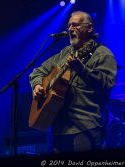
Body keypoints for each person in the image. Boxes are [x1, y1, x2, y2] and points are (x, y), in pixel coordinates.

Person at [29, 11, 117, 153]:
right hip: (59, 129)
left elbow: (108, 83)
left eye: (75, 25)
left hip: (86, 128)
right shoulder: (64, 53)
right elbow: (37, 71)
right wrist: (38, 85)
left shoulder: (102, 53)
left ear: (89, 28)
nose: (70, 29)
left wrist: (82, 69)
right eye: (69, 26)